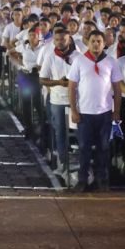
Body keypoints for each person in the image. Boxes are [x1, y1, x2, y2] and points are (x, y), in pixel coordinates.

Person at [67, 29, 121, 192]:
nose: (96, 44)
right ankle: (83, 179)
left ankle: (102, 178)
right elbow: (72, 87)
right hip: (85, 112)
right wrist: (74, 110)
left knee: (104, 147)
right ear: (88, 43)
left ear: (104, 44)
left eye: (99, 41)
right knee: (84, 147)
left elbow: (117, 89)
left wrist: (116, 111)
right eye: (93, 41)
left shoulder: (111, 61)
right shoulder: (79, 61)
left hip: (104, 112)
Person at [39, 26, 77, 181]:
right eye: (57, 39)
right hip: (58, 100)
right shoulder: (51, 57)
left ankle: (79, 165)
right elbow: (42, 79)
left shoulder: (78, 57)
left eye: (63, 39)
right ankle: (62, 163)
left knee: (79, 134)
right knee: (60, 133)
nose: (60, 42)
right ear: (54, 41)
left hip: (77, 101)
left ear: (69, 40)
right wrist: (58, 82)